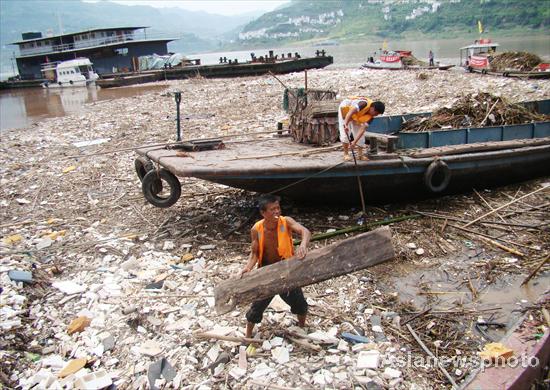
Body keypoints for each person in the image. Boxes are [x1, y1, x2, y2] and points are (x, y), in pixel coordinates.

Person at [240, 194, 311, 338]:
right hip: (266, 272)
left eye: (278, 208)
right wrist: (248, 267)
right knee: (257, 307)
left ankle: (302, 327)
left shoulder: (286, 222)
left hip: (286, 269)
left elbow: (305, 231)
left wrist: (303, 245)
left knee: (299, 304)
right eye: (272, 209)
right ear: (263, 213)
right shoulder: (257, 229)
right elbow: (254, 254)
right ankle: (248, 335)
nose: (276, 212)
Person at [338, 97, 385, 161]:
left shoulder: (371, 117)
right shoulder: (363, 104)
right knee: (345, 133)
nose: (376, 115)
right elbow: (351, 112)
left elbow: (362, 129)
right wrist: (345, 124)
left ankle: (360, 155)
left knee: (360, 135)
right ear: (372, 108)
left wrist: (354, 142)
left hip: (357, 115)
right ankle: (346, 154)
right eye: (376, 113)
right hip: (346, 109)